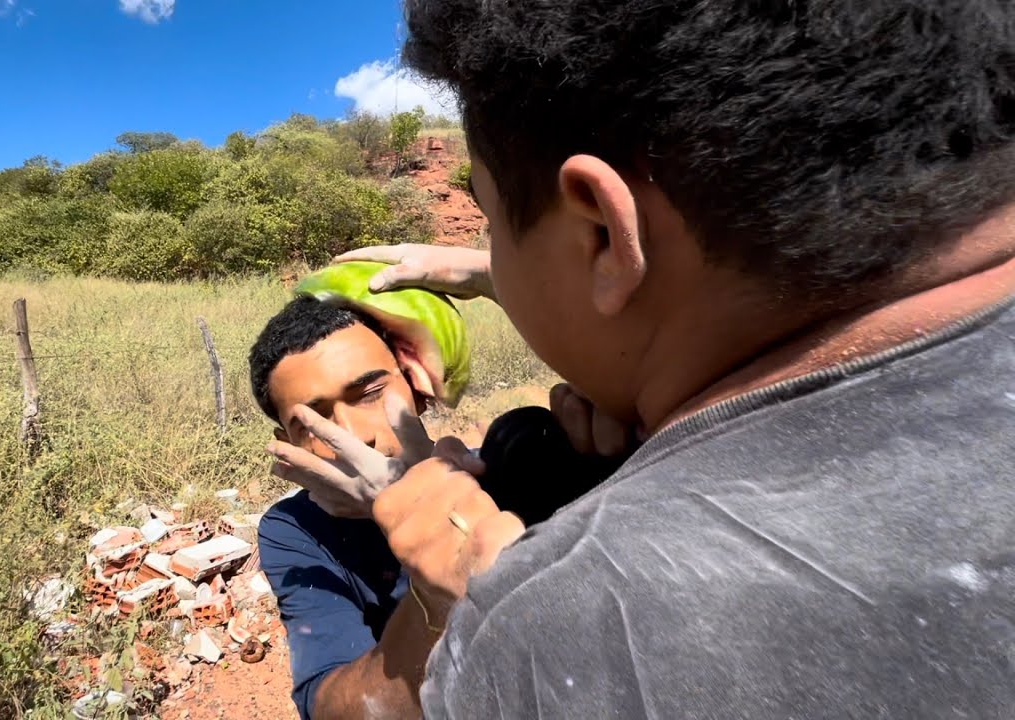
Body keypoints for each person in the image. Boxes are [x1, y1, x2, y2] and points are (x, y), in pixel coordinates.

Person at [269, 1, 1015, 717]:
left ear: (600, 233)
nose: (347, 433)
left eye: (492, 226)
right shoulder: (302, 532)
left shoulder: (552, 623)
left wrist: (473, 579)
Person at [250, 295, 441, 720]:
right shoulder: (296, 530)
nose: (354, 436)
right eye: (312, 422)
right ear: (289, 445)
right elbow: (333, 707)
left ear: (418, 386)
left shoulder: (503, 472)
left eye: (370, 393)